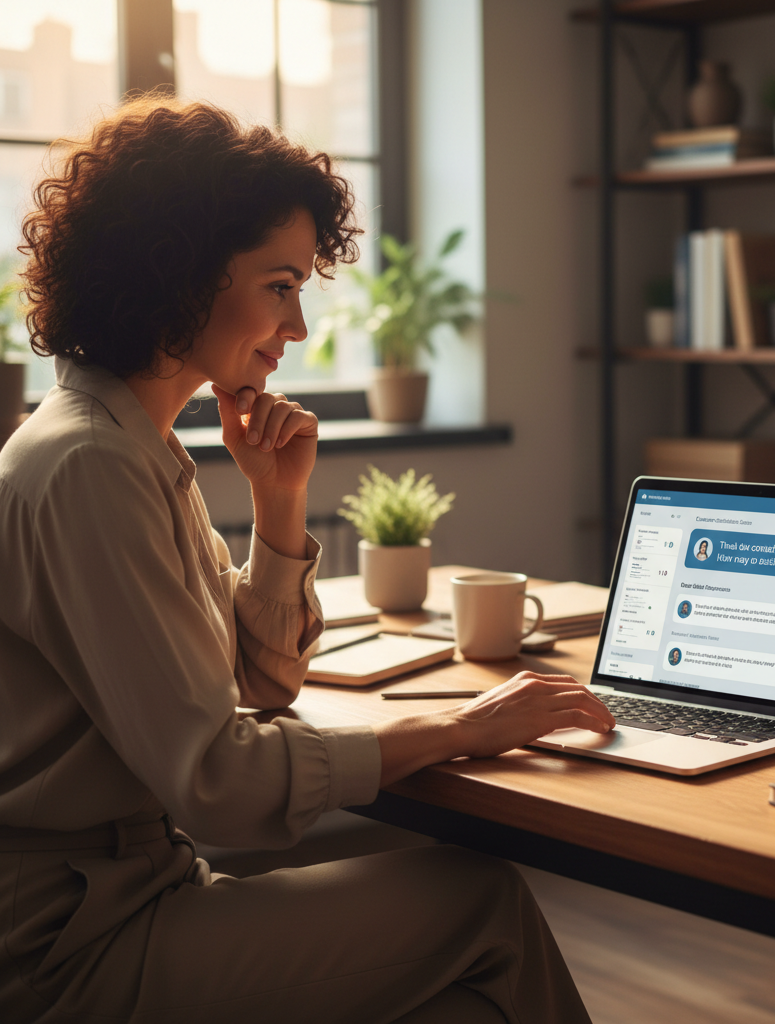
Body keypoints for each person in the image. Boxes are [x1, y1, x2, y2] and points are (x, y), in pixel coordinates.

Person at [0, 98, 616, 1024]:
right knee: (482, 905)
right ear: (179, 278)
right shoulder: (90, 465)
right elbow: (216, 781)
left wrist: (277, 502)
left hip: (132, 892)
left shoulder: (137, 447)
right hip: (72, 948)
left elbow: (263, 682)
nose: (295, 329)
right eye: (279, 285)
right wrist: (459, 728)